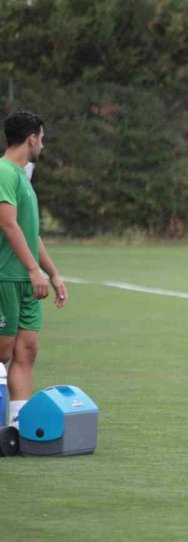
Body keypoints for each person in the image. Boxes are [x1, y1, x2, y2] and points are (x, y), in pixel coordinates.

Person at [0, 111, 68, 429]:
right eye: (42, 137)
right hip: (6, 277)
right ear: (32, 137)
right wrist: (31, 270)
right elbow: (7, 223)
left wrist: (52, 273)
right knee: (2, 352)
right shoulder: (4, 171)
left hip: (26, 282)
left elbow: (29, 232)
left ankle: (17, 428)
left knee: (26, 350)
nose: (43, 143)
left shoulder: (22, 178)